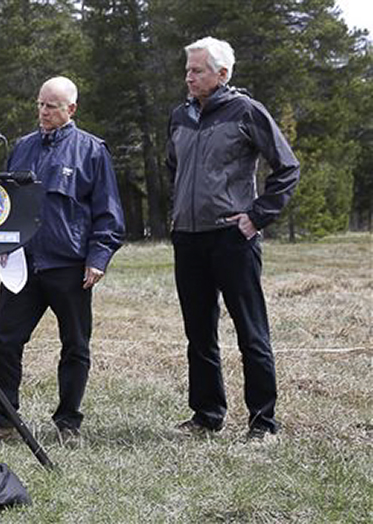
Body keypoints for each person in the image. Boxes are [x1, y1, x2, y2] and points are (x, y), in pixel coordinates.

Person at [166, 37, 300, 440]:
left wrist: (257, 217)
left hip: (232, 239)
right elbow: (174, 167)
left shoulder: (246, 111)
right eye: (187, 70)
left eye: (197, 70)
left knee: (250, 331)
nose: (189, 77)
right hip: (188, 239)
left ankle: (263, 423)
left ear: (222, 74)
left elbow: (286, 168)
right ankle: (207, 416)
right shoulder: (179, 116)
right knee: (199, 334)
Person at [0, 76, 126, 445]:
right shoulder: (23, 147)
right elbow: (5, 202)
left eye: (51, 106)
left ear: (71, 109)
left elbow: (108, 212)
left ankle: (68, 423)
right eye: (40, 104)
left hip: (70, 266)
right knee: (4, 339)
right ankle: (2, 421)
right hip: (25, 265)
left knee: (75, 345)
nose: (43, 112)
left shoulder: (92, 151)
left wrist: (99, 257)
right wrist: (1, 240)